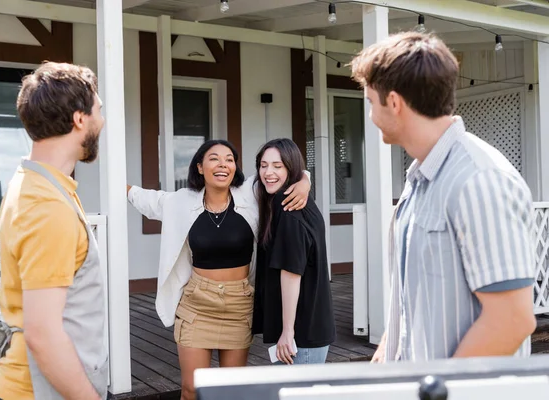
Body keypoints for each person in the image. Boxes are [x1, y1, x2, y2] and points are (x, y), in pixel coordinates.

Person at [349, 31, 536, 363]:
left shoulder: (479, 180)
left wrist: (438, 389)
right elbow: (415, 303)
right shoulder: (419, 180)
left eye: (369, 102)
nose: (370, 115)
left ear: (394, 103)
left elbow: (511, 320)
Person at [126, 139, 311, 400]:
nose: (223, 164)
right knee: (191, 389)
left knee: (230, 390)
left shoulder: (250, 193)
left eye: (229, 159)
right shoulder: (180, 201)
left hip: (239, 304)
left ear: (235, 168)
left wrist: (304, 182)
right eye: (214, 158)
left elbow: (287, 173)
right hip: (196, 304)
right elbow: (142, 197)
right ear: (200, 167)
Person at [0, 62, 107, 400]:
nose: (102, 120)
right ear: (79, 119)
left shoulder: (34, 184)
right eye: (99, 110)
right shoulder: (48, 206)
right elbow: (43, 335)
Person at [252, 138, 336, 365]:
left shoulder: (289, 208)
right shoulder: (297, 198)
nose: (268, 172)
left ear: (291, 168)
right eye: (263, 165)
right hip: (311, 326)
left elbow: (291, 271)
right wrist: (305, 178)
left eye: (277, 166)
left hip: (301, 334)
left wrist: (287, 331)